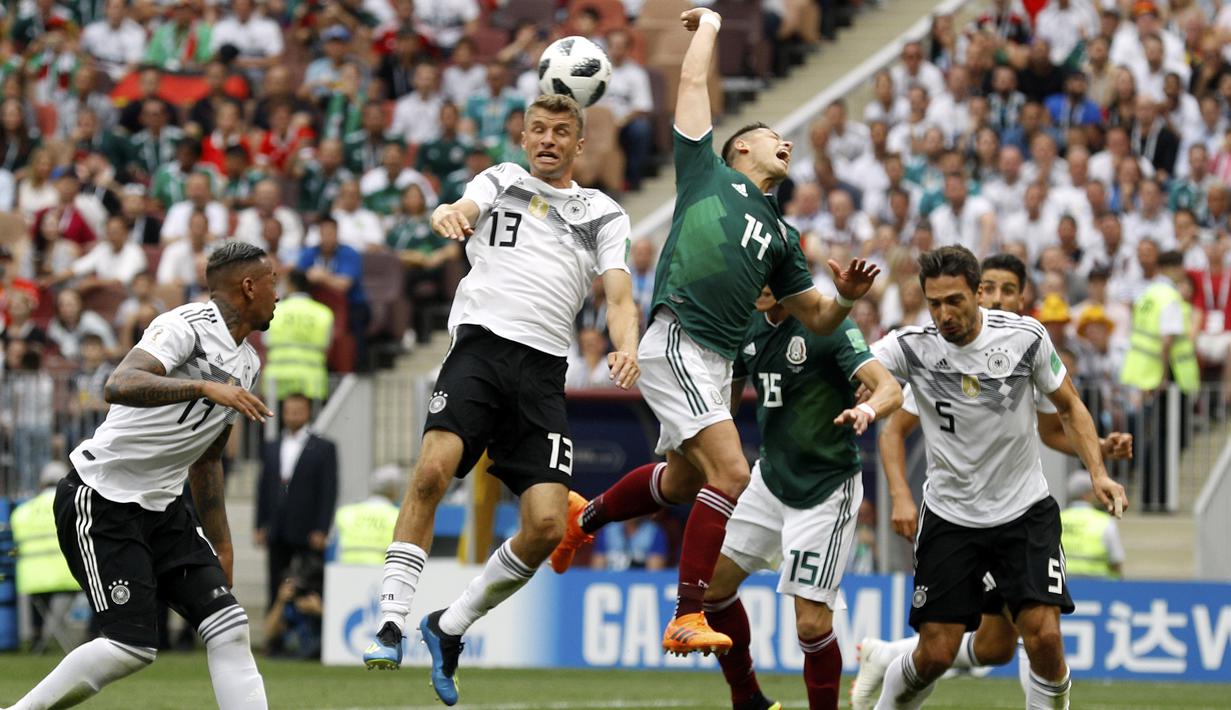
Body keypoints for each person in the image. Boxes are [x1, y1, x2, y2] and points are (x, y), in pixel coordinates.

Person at [550, 6, 879, 658]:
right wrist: (708, 28)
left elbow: (814, 317)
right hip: (677, 340)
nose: (784, 141)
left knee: (677, 482)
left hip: (714, 365)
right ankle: (685, 613)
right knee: (730, 472)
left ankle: (579, 517)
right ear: (740, 150)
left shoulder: (783, 238)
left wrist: (842, 297)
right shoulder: (707, 175)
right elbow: (694, 89)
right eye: (770, 134)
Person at [362, 93, 642, 708]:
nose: (547, 139)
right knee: (433, 473)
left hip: (543, 374)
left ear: (578, 142)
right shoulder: (505, 178)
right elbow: (465, 203)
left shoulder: (603, 212)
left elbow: (620, 297)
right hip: (480, 350)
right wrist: (448, 212)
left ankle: (449, 626)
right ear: (523, 139)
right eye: (536, 129)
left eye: (560, 131)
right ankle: (390, 620)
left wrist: (626, 346)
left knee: (545, 525)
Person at [850, 246, 1126, 710]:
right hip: (951, 517)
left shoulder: (1026, 339)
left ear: (978, 294)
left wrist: (1098, 470)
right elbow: (853, 361)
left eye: (954, 300)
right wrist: (866, 370)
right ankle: (885, 683)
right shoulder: (914, 346)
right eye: (934, 303)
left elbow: (1068, 408)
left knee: (1042, 638)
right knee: (936, 652)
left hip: (1023, 512)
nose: (944, 314)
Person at [3, 241, 275, 710]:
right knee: (130, 647)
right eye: (273, 284)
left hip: (165, 508)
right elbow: (118, 384)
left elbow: (206, 459)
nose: (278, 296)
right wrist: (202, 384)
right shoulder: (183, 325)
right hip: (102, 495)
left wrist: (222, 543)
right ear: (248, 286)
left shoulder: (248, 364)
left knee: (230, 628)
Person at [703, 286, 902, 710]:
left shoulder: (827, 326)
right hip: (770, 480)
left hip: (825, 489)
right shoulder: (746, 327)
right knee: (711, 589)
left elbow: (889, 389)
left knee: (811, 625)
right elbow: (726, 405)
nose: (756, 283)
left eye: (767, 274)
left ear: (788, 275)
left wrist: (866, 410)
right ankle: (748, 699)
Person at [254, 394, 338, 608]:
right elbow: (263, 488)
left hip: (307, 529)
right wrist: (260, 524)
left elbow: (328, 490)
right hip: (277, 527)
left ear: (308, 412)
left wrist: (322, 528)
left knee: (307, 581)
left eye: (298, 410)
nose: (293, 415)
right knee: (275, 582)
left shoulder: (323, 448)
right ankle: (275, 635)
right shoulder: (271, 447)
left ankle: (305, 634)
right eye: (290, 410)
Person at [10, 461, 81, 653]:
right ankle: (93, 637)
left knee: (39, 603)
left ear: (42, 483)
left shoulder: (21, 512)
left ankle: (37, 639)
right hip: (70, 576)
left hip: (33, 579)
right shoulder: (72, 505)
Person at [263, 270, 334, 402]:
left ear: (290, 285)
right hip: (313, 380)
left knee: (275, 421)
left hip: (278, 378)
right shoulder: (324, 313)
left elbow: (266, 343)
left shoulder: (274, 310)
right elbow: (327, 347)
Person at [330, 465, 401, 566]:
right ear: (394, 490)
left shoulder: (346, 512)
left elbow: (332, 547)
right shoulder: (397, 516)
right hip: (382, 573)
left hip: (346, 571)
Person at [1061, 471, 1125, 579]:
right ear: (1086, 495)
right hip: (1098, 589)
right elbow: (1116, 562)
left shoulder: (1057, 519)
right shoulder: (1104, 522)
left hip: (1061, 587)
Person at [591, 517, 669, 571]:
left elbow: (655, 572)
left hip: (640, 586)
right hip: (609, 584)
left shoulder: (654, 531)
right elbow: (597, 568)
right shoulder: (608, 530)